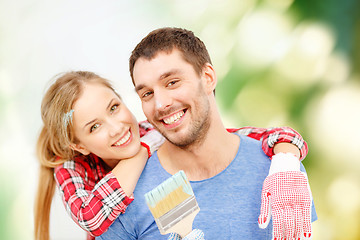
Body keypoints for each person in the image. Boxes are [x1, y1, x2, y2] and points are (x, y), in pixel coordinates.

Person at [98, 27, 316, 240]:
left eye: (172, 82)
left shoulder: (280, 172)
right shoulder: (128, 196)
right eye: (147, 93)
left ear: (208, 77)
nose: (161, 103)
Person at [34, 71, 308, 240]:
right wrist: (139, 154)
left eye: (114, 108)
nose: (116, 127)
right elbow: (91, 218)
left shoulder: (150, 131)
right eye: (94, 127)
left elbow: (253, 136)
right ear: (80, 145)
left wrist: (285, 161)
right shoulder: (71, 167)